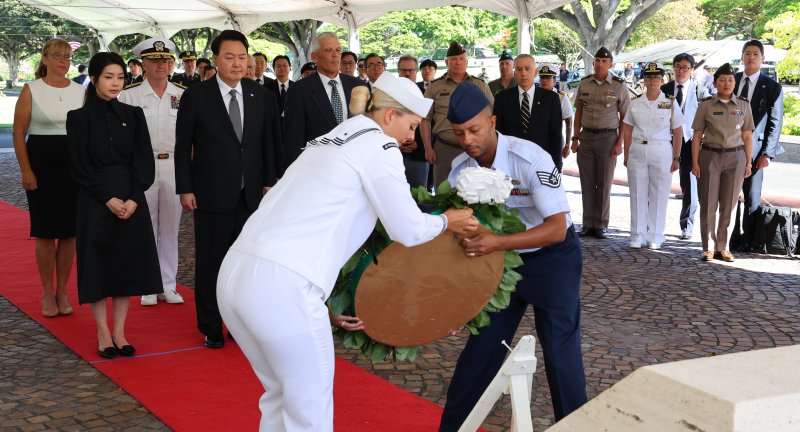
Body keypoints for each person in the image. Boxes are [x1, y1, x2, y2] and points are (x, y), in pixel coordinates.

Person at [216, 72, 479, 432]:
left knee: (280, 394)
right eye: (411, 126)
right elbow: (407, 229)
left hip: (236, 273)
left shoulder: (330, 138)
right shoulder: (379, 146)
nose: (412, 137)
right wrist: (448, 221)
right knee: (309, 410)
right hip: (283, 285)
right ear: (390, 115)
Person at [439, 82, 586, 431]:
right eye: (459, 133)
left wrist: (497, 243)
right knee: (480, 351)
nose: (467, 140)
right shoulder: (460, 170)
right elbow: (459, 232)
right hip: (502, 264)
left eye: (474, 130)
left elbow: (556, 228)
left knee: (560, 353)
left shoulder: (530, 157)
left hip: (552, 260)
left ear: (492, 122)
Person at [175, 30, 282, 348]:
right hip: (210, 192)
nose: (237, 64)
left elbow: (269, 143)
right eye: (230, 57)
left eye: (242, 57)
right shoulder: (196, 96)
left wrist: (270, 182)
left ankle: (241, 324)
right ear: (216, 59)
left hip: (252, 194)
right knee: (211, 262)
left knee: (247, 263)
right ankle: (211, 325)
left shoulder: (261, 95)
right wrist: (185, 187)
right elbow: (183, 146)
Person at [66, 51, 162, 358]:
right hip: (95, 199)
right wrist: (107, 198)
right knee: (97, 265)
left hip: (131, 196)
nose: (115, 83)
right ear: (94, 79)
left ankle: (120, 331)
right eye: (109, 77)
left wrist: (133, 198)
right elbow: (79, 165)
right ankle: (102, 331)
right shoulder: (78, 118)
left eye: (120, 77)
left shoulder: (133, 115)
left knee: (125, 264)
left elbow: (144, 161)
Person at [12, 38, 84, 318]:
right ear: (44, 59)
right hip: (41, 167)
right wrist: (26, 170)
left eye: (67, 56)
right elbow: (19, 133)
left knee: (69, 232)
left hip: (73, 169)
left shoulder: (80, 91)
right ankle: (46, 290)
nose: (63, 61)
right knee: (44, 231)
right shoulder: (31, 89)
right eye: (57, 55)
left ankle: (62, 291)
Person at [118, 38, 187, 307]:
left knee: (170, 228)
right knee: (145, 227)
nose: (160, 65)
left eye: (165, 60)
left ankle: (168, 284)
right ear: (143, 64)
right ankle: (147, 284)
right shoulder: (129, 95)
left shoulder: (182, 94)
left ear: (171, 64)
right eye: (154, 60)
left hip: (173, 165)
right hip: (142, 167)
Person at [691, 63, 754, 262]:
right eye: (722, 80)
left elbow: (747, 136)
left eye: (730, 80)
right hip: (710, 156)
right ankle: (708, 247)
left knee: (729, 204)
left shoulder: (743, 105)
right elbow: (697, 136)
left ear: (735, 83)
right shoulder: (706, 105)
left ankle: (722, 247)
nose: (726, 83)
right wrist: (695, 163)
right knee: (708, 203)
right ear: (715, 83)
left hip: (736, 157)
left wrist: (748, 163)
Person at [282, 32, 367, 174]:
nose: (335, 55)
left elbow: (366, 127)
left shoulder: (357, 85)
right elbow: (293, 139)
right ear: (314, 57)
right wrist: (295, 175)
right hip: (318, 170)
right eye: (328, 50)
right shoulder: (299, 91)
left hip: (356, 167)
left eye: (338, 50)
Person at [621, 63, 684, 250]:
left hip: (661, 149)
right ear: (644, 80)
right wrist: (626, 153)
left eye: (656, 77)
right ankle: (637, 235)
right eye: (648, 77)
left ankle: (656, 236)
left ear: (662, 80)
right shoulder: (635, 102)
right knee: (637, 193)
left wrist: (676, 157)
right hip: (638, 149)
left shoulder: (670, 102)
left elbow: (677, 131)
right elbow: (627, 128)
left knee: (659, 194)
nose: (652, 80)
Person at [731, 40, 785, 253]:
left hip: (755, 151)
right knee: (728, 195)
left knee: (751, 196)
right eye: (747, 53)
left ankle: (748, 239)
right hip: (728, 146)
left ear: (762, 58)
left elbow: (775, 122)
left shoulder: (772, 86)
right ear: (742, 56)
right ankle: (729, 237)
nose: (751, 57)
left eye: (755, 54)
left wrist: (768, 153)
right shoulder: (731, 80)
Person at [571, 47, 631, 239]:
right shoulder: (584, 83)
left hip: (607, 138)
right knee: (587, 182)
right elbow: (578, 112)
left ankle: (601, 224)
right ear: (593, 63)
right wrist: (575, 138)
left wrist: (619, 143)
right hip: (586, 137)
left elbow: (625, 117)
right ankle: (588, 224)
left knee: (604, 183)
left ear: (611, 64)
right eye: (597, 61)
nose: (600, 64)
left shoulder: (619, 86)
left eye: (604, 61)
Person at [422, 41, 494, 186]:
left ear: (467, 62)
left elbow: (492, 116)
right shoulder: (434, 87)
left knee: (477, 190)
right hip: (444, 149)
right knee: (443, 191)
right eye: (454, 59)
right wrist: (428, 148)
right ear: (446, 62)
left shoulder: (480, 85)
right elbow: (425, 119)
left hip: (476, 147)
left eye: (461, 59)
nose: (458, 62)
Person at [661, 52, 710, 240]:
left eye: (685, 68)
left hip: (690, 143)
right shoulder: (664, 89)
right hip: (666, 141)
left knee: (689, 185)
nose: (681, 71)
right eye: (678, 67)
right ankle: (654, 224)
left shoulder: (700, 91)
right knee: (659, 181)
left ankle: (687, 226)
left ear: (692, 70)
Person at [493, 55, 562, 170]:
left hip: (541, 163)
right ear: (515, 73)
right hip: (512, 164)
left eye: (527, 69)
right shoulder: (502, 98)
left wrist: (556, 168)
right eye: (519, 69)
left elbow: (556, 136)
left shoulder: (551, 98)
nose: (523, 73)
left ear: (535, 72)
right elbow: (498, 134)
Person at [397, 54, 428, 188]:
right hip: (394, 154)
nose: (407, 74)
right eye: (404, 70)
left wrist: (418, 144)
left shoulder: (426, 94)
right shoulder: (389, 96)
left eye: (411, 70)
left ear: (416, 72)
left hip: (418, 156)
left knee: (420, 195)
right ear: (398, 71)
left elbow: (431, 124)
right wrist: (397, 143)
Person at [539, 64, 575, 161]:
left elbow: (569, 122)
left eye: (548, 78)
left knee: (555, 167)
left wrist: (567, 145)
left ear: (554, 81)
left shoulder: (561, 97)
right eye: (542, 78)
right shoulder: (534, 95)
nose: (544, 80)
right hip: (537, 140)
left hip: (555, 140)